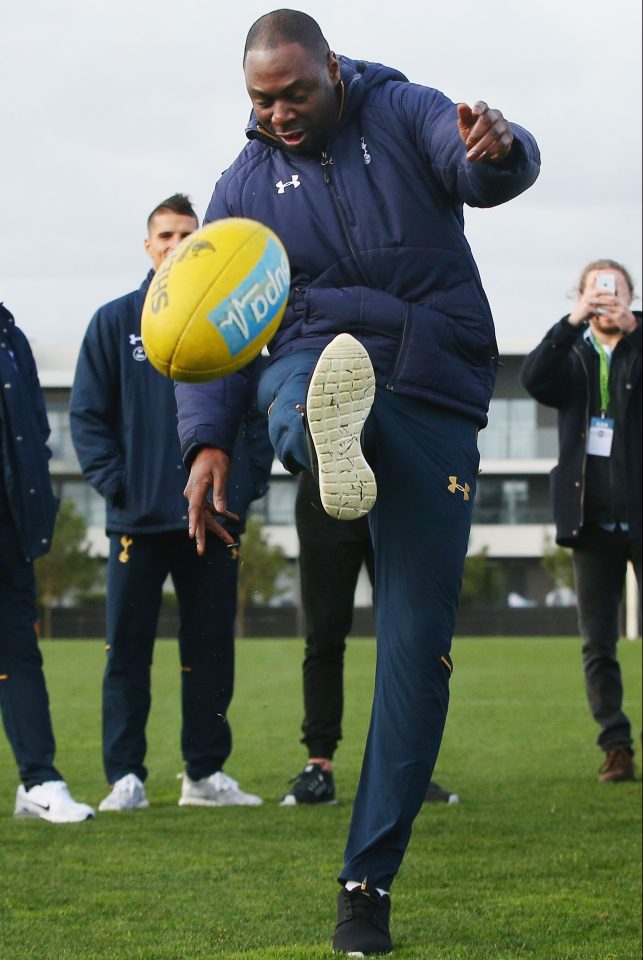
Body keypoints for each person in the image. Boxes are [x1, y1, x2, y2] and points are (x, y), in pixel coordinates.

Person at [177, 11, 540, 954]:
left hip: (427, 384)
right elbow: (209, 316)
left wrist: (499, 149)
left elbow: (479, 170)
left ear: (331, 70)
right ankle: (320, 440)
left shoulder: (405, 107)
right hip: (315, 355)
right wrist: (205, 443)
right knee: (299, 376)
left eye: (295, 91)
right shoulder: (243, 185)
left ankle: (364, 884)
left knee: (416, 656)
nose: (280, 111)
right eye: (260, 98)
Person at [70, 194, 272, 812]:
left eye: (188, 235)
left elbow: (258, 414)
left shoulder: (231, 319)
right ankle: (125, 777)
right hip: (139, 520)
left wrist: (243, 488)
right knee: (125, 653)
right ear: (148, 244)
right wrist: (119, 486)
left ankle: (204, 775)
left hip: (214, 518)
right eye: (165, 235)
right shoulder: (114, 321)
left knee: (210, 650)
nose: (175, 244)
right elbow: (87, 417)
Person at [521, 260, 641, 784]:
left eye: (616, 293)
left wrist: (636, 336)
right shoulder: (570, 354)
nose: (607, 301)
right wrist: (571, 322)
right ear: (583, 297)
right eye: (597, 293)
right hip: (590, 520)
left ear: (631, 297)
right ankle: (616, 745)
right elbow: (532, 380)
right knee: (598, 642)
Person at [282, 469, 460, 807]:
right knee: (323, 635)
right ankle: (319, 765)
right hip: (324, 487)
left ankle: (409, 768)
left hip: (398, 490)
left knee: (408, 639)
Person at [0, 302, 95, 823]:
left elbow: (35, 427)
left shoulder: (10, 336)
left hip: (10, 527)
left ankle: (38, 782)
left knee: (19, 656)